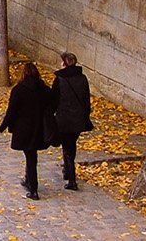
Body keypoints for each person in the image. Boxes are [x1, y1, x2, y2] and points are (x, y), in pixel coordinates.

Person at [0, 60, 54, 199]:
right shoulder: (44, 89)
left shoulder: (19, 90)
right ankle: (28, 179)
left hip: (24, 128)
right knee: (31, 156)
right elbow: (51, 105)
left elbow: (11, 110)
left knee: (30, 156)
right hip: (38, 128)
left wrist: (4, 125)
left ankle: (33, 188)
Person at [52, 52, 92, 191]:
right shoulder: (82, 78)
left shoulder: (60, 79)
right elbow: (86, 99)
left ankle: (71, 178)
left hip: (64, 119)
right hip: (78, 119)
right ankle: (68, 171)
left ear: (64, 64)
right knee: (71, 145)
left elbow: (54, 100)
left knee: (67, 147)